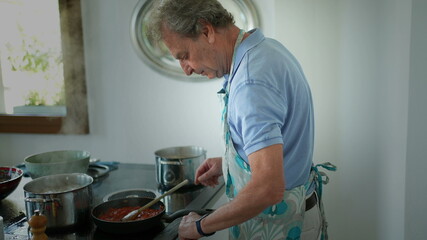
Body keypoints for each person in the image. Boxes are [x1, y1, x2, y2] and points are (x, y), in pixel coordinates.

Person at [147, 0, 335, 239]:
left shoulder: (250, 82)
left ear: (206, 31)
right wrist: (229, 163)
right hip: (298, 212)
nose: (186, 69)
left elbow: (268, 188)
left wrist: (200, 226)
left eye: (184, 56)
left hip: (279, 227)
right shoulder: (266, 50)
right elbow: (281, 143)